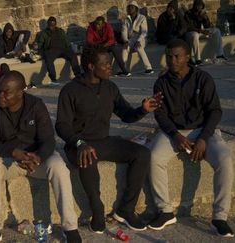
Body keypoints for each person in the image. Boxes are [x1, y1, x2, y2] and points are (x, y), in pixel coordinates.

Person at [55, 45, 161, 233]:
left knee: (142, 154)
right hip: (77, 145)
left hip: (103, 141)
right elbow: (62, 126)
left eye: (109, 63)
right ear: (90, 66)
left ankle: (126, 210)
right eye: (104, 64)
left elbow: (126, 115)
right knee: (87, 158)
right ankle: (98, 210)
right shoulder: (70, 90)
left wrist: (143, 110)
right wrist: (80, 143)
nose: (109, 67)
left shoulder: (110, 87)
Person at [0, 71, 81, 243]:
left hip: (36, 160)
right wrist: (14, 153)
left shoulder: (36, 105)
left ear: (21, 92)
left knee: (58, 167)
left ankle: (70, 228)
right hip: (9, 160)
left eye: (6, 92)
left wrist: (39, 157)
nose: (0, 95)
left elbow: (48, 140)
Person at [148, 39, 234, 238]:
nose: (172, 60)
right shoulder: (161, 82)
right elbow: (160, 115)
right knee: (154, 157)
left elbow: (215, 111)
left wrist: (204, 138)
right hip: (174, 132)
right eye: (169, 56)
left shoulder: (203, 79)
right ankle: (166, 211)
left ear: (187, 57)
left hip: (203, 130)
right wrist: (176, 135)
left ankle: (219, 217)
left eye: (177, 56)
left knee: (224, 159)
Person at [37, 16, 81, 86]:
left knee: (72, 55)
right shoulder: (44, 33)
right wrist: (39, 49)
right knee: (48, 59)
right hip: (52, 50)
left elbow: (67, 42)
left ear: (55, 24)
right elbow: (40, 44)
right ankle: (53, 79)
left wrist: (71, 49)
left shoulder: (60, 31)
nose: (52, 27)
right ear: (48, 25)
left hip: (63, 49)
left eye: (53, 25)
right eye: (50, 25)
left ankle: (78, 75)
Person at [184, 0, 227, 66]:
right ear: (194, 6)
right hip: (190, 33)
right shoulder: (188, 13)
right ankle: (198, 59)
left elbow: (207, 26)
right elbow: (188, 27)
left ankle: (220, 54)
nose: (199, 8)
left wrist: (205, 18)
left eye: (201, 6)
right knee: (194, 35)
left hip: (200, 32)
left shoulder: (202, 13)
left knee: (216, 31)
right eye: (198, 6)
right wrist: (201, 31)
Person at [121, 0, 154, 74]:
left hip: (141, 38)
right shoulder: (126, 19)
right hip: (130, 39)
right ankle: (124, 70)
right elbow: (123, 32)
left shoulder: (142, 18)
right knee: (125, 48)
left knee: (139, 47)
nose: (130, 9)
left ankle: (148, 68)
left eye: (132, 7)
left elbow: (144, 32)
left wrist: (139, 41)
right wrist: (125, 41)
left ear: (136, 9)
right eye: (129, 8)